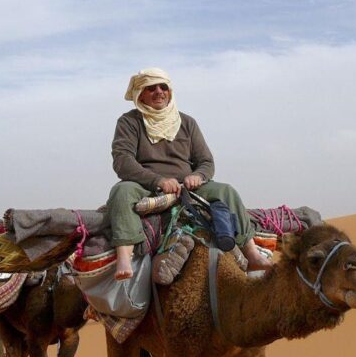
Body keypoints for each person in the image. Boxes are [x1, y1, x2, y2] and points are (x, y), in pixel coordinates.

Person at [109, 67, 272, 279]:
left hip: (189, 187)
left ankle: (250, 253)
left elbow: (206, 161)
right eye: (151, 88)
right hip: (146, 186)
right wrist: (157, 181)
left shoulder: (186, 122)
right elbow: (123, 161)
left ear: (170, 91)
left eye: (163, 86)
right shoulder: (129, 122)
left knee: (226, 191)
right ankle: (124, 256)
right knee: (121, 191)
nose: (159, 91)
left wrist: (199, 176)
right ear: (140, 94)